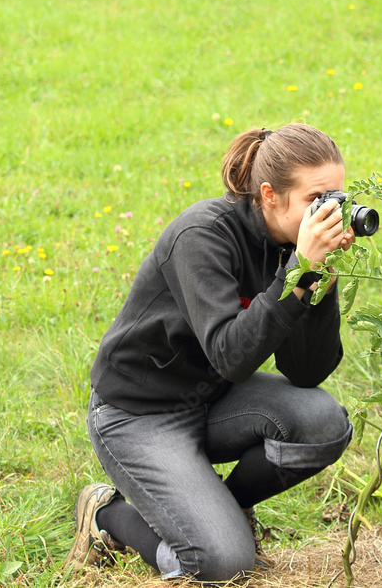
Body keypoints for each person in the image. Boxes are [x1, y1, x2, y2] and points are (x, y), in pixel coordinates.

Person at [64, 123, 356, 581]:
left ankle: (227, 508)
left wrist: (317, 287)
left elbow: (307, 372)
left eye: (336, 198)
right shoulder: (202, 236)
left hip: (213, 400)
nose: (331, 214)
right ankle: (106, 515)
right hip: (139, 415)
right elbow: (231, 356)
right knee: (222, 563)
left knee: (324, 422)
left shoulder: (290, 247)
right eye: (316, 201)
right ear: (269, 194)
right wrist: (297, 271)